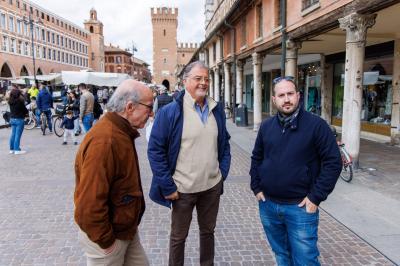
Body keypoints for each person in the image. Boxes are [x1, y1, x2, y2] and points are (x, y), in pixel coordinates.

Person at [249, 77, 342, 266]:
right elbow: (257, 157)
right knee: (282, 256)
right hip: (268, 205)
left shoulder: (317, 126)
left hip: (300, 208)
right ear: (274, 99)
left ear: (298, 96)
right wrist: (256, 187)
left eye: (290, 94)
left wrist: (316, 197)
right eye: (281, 95)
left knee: (305, 261)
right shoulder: (266, 126)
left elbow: (333, 162)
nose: (286, 99)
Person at [148, 61, 231, 266]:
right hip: (182, 190)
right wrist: (168, 186)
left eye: (206, 79)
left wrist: (222, 175)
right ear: (185, 81)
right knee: (178, 237)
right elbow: (155, 151)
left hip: (211, 188)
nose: (203, 83)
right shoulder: (170, 112)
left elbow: (224, 144)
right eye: (198, 78)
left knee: (208, 232)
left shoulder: (216, 110)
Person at [74, 79, 153, 266]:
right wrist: (106, 242)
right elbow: (88, 205)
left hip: (124, 229)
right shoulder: (106, 139)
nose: (151, 114)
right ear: (130, 107)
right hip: (109, 237)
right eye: (149, 108)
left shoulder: (120, 131)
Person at [8, 86, 28, 154]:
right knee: (17, 135)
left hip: (12, 119)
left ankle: (11, 149)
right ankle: (17, 149)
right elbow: (25, 111)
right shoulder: (20, 101)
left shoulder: (10, 101)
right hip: (19, 119)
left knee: (13, 135)